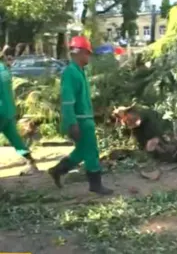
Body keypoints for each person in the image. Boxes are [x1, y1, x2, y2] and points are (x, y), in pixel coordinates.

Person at [48, 36, 113, 195]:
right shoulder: (70, 72)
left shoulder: (79, 71)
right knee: (91, 151)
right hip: (79, 121)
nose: (89, 57)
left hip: (85, 118)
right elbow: (67, 100)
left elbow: (81, 98)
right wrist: (72, 123)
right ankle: (95, 184)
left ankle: (57, 170)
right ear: (79, 53)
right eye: (87, 53)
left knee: (82, 151)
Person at [0, 45, 39, 174]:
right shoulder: (4, 69)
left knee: (15, 138)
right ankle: (31, 163)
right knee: (15, 139)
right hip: (9, 110)